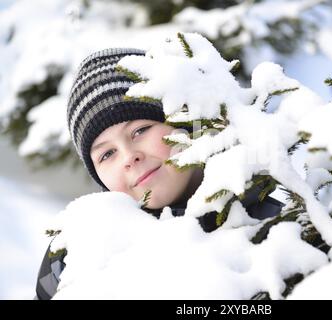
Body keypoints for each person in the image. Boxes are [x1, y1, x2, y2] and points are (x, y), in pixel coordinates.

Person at [35, 48, 284, 300]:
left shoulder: (273, 227)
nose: (129, 156)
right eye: (107, 154)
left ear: (182, 122)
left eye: (140, 130)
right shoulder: (74, 257)